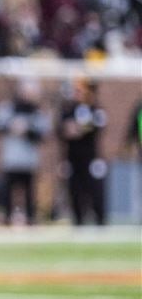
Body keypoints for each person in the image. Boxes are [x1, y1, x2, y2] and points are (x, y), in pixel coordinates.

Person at [0, 79, 50, 224]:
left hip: (28, 160)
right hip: (10, 159)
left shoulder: (37, 112)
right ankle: (7, 218)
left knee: (29, 192)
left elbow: (43, 133)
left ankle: (30, 218)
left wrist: (27, 130)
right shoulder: (9, 108)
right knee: (7, 193)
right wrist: (11, 126)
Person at [58, 78, 108, 225]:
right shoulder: (68, 110)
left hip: (91, 158)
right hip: (73, 158)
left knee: (95, 191)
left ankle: (100, 222)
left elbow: (97, 125)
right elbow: (61, 130)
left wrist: (79, 128)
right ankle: (78, 222)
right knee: (75, 192)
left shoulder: (96, 109)